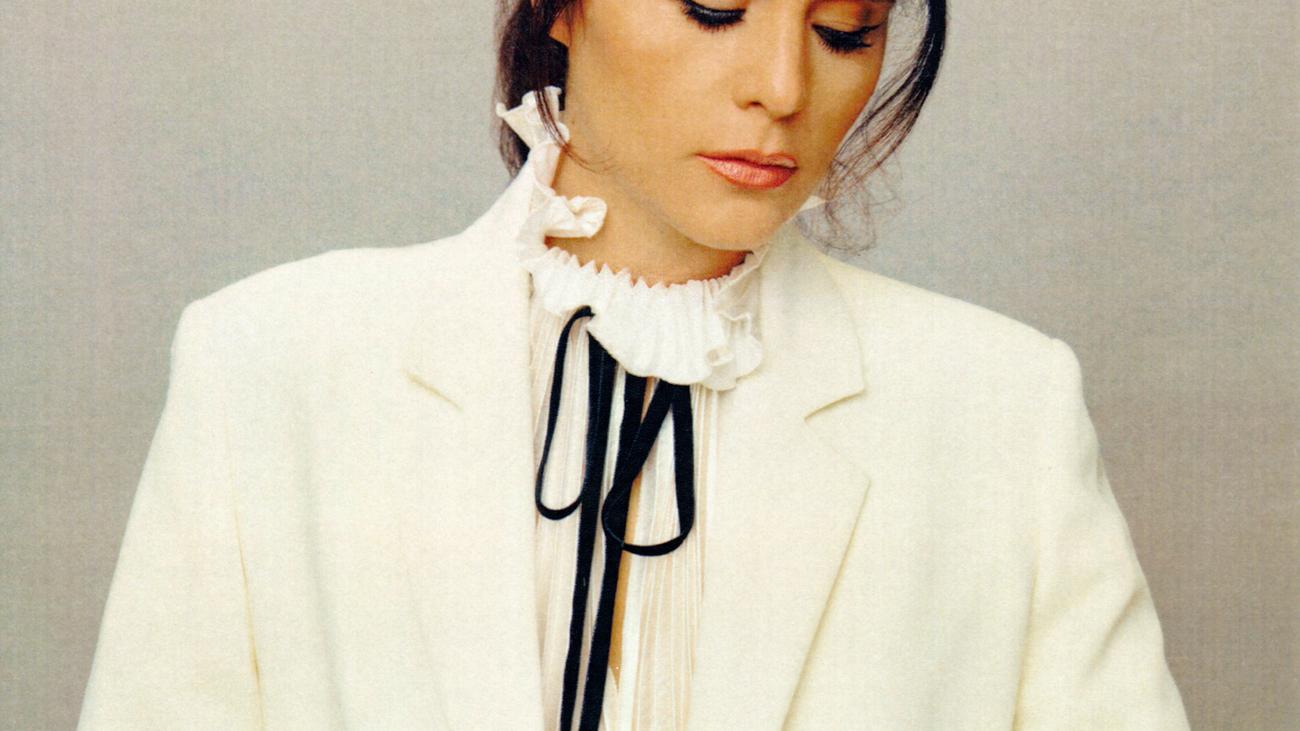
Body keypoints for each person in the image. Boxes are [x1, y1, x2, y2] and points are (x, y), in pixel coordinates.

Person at [79, 1, 1190, 729]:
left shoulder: (1003, 411)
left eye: (843, 30)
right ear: (561, 8)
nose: (782, 87)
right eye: (714, 7)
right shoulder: (269, 368)